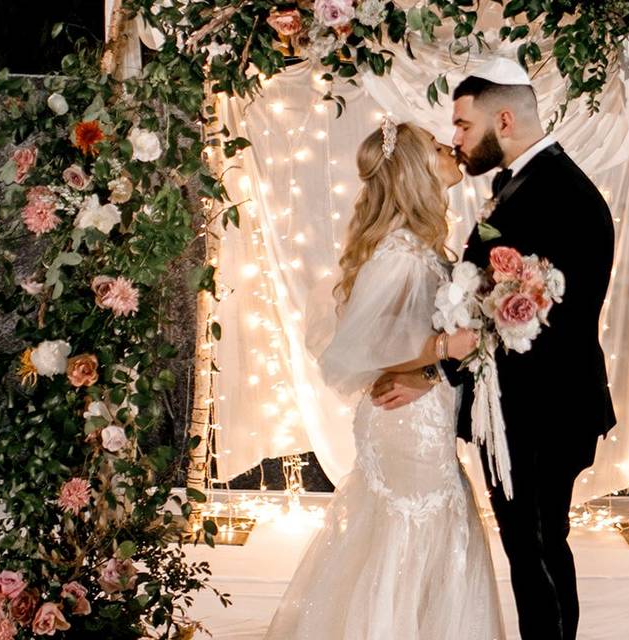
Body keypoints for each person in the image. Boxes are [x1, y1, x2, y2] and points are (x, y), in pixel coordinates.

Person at [371, 58, 616, 640]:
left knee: (535, 550)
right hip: (520, 409)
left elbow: (532, 326)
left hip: (544, 410)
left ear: (503, 119)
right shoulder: (524, 183)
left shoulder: (557, 194)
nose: (455, 140)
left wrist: (433, 370)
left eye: (462, 125)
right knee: (531, 550)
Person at [264, 121, 505, 640]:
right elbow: (359, 348)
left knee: (424, 532)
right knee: (407, 537)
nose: (453, 153)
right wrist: (445, 349)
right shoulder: (401, 253)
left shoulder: (418, 245)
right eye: (440, 149)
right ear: (417, 169)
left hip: (425, 414)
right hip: (406, 420)